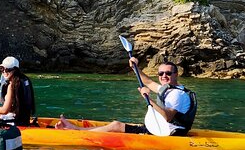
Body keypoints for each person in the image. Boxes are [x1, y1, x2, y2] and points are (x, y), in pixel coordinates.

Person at [55, 58, 197, 135]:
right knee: (119, 125)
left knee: (116, 125)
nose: (164, 76)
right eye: (161, 74)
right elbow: (147, 81)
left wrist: (148, 98)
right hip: (162, 129)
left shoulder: (176, 95)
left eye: (168, 73)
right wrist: (135, 67)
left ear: (176, 74)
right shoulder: (170, 89)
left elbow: (168, 117)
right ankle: (77, 129)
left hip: (169, 134)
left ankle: (76, 131)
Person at [0, 56, 36, 126]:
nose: (4, 72)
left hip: (14, 122)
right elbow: (12, 105)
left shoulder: (12, 86)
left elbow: (4, 111)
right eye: (2, 69)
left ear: (15, 70)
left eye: (7, 70)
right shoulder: (24, 80)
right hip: (23, 119)